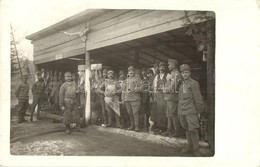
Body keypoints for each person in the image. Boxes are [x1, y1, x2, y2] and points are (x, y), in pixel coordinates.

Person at [178, 64, 204, 156]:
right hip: (182, 111)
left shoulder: (193, 83)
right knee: (186, 129)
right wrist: (179, 111)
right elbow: (180, 98)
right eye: (183, 73)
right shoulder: (182, 84)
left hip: (191, 111)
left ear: (190, 73)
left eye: (186, 72)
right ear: (181, 74)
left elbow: (198, 99)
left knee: (193, 129)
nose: (184, 74)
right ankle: (189, 147)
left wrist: (199, 111)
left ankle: (196, 149)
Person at [162, 59, 182, 137]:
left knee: (173, 114)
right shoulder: (172, 74)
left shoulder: (176, 74)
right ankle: (169, 129)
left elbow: (173, 88)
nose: (168, 66)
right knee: (169, 114)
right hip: (169, 98)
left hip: (173, 98)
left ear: (173, 65)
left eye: (169, 65)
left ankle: (177, 131)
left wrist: (164, 89)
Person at [122, 66, 141, 132]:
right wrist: (123, 99)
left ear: (134, 72)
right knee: (130, 113)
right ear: (128, 72)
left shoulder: (137, 79)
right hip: (127, 99)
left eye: (132, 71)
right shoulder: (126, 80)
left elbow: (141, 88)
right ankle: (132, 125)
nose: (131, 72)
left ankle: (137, 126)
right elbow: (123, 90)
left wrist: (134, 89)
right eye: (129, 71)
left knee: (135, 113)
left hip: (135, 99)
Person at [152, 62, 168, 133]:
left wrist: (164, 88)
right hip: (158, 95)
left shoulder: (168, 76)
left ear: (165, 68)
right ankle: (159, 126)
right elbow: (155, 86)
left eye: (163, 67)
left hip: (165, 95)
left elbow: (169, 86)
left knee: (164, 111)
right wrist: (155, 95)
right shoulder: (156, 76)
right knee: (158, 110)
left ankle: (164, 126)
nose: (161, 68)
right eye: (160, 67)